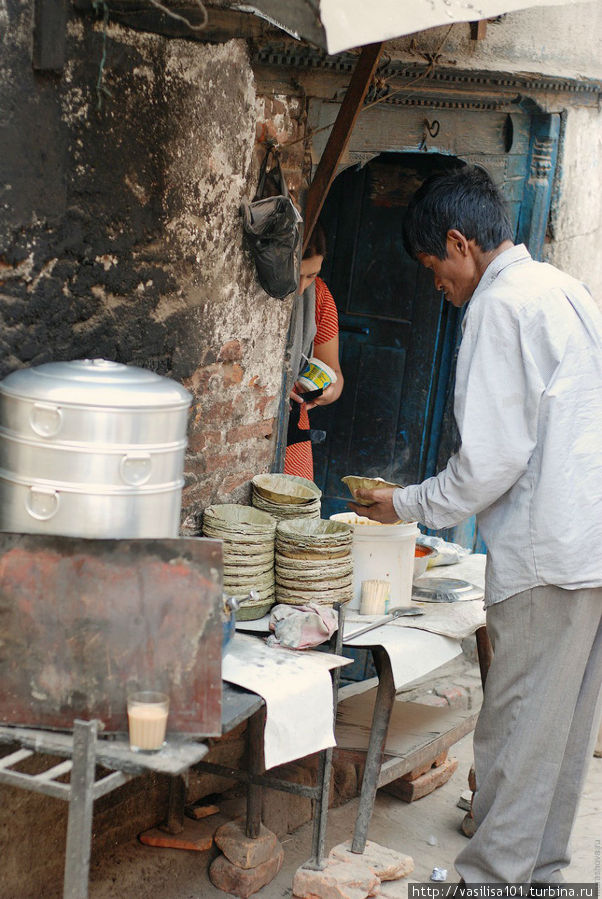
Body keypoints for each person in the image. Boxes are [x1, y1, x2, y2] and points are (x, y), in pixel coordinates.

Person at [350, 165, 602, 887]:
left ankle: (492, 880)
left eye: (434, 267)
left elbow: (490, 461)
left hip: (547, 551)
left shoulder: (499, 305)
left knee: (518, 730)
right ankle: (540, 876)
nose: (437, 285)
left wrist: (405, 503)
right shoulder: (562, 288)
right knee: (560, 731)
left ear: (461, 244)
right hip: (587, 544)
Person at [284, 224, 344, 481]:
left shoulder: (319, 297)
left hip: (294, 423)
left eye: (311, 275)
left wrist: (328, 393)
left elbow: (335, 373)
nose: (301, 288)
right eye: (297, 275)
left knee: (294, 499)